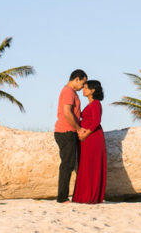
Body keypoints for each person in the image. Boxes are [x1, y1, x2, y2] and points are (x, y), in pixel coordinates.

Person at [54, 69, 89, 203]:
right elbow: (67, 113)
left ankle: (67, 195)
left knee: (69, 164)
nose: (83, 86)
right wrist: (78, 129)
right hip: (65, 132)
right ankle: (62, 197)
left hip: (68, 131)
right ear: (77, 79)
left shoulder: (70, 92)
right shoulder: (68, 92)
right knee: (67, 165)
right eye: (83, 83)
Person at [72, 80, 107, 204]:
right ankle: (83, 195)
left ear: (93, 90)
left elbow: (96, 121)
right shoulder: (90, 104)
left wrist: (85, 134)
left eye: (86, 88)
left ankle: (90, 196)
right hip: (86, 138)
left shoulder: (96, 103)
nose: (83, 89)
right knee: (85, 165)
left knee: (91, 165)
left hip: (92, 137)